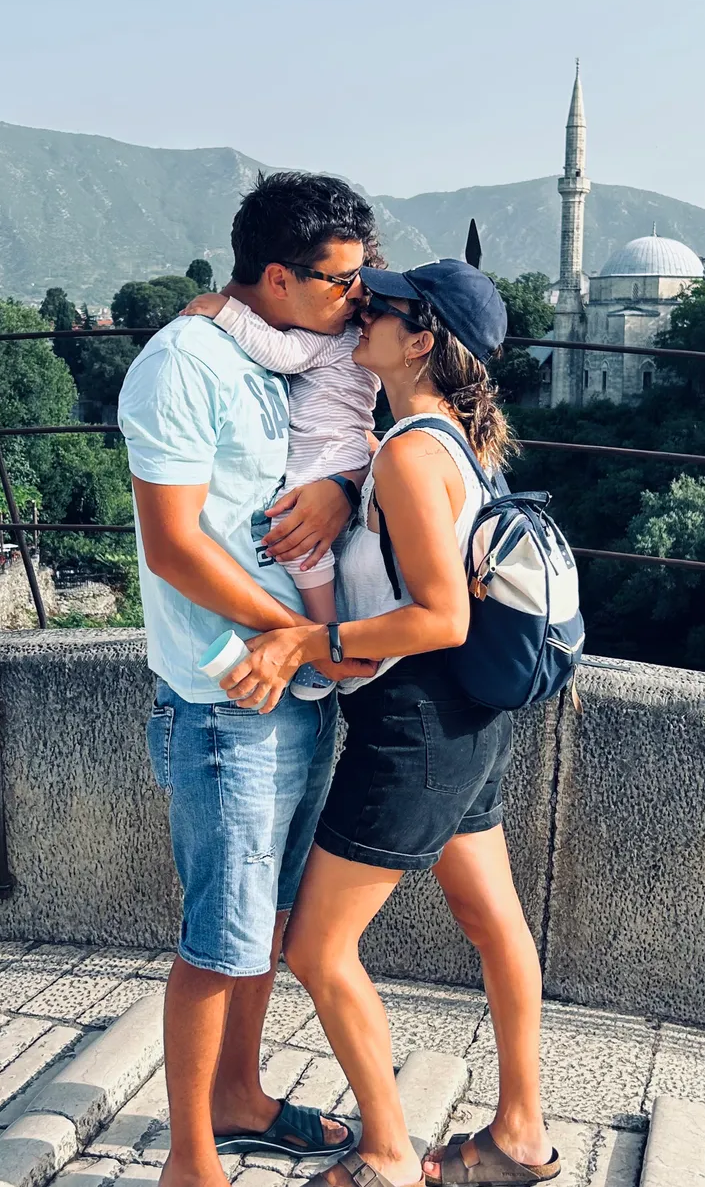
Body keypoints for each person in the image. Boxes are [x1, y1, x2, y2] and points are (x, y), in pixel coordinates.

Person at [218, 260, 562, 1187]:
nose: (362, 310)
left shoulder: (411, 454)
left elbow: (441, 617)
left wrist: (305, 641)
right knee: (491, 919)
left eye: (384, 306)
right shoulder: (449, 441)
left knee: (317, 946)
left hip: (416, 726)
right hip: (468, 717)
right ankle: (520, 1134)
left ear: (421, 340)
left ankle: (385, 1154)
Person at [117, 171, 380, 1187]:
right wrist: (297, 633)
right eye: (340, 281)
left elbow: (341, 442)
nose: (356, 297)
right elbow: (174, 546)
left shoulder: (279, 346)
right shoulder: (182, 364)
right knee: (218, 937)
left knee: (264, 921)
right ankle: (191, 1162)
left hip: (294, 684)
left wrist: (342, 485)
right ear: (277, 276)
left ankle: (238, 1097)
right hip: (226, 694)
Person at [179, 284, 380, 701]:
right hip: (345, 449)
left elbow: (280, 352)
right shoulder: (363, 351)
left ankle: (324, 643)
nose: (347, 309)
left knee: (298, 538)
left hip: (324, 451)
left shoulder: (332, 341)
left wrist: (227, 310)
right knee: (323, 546)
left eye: (352, 300)